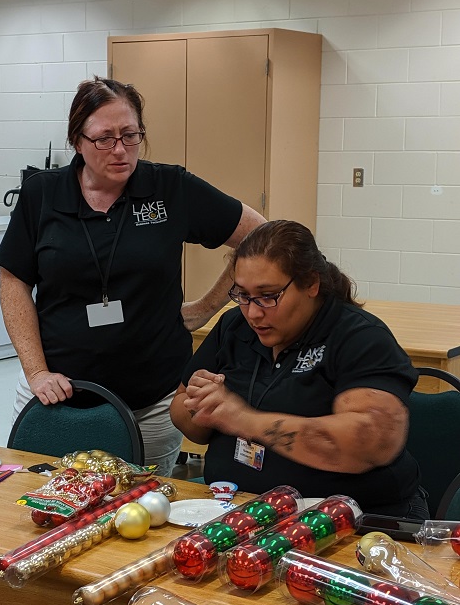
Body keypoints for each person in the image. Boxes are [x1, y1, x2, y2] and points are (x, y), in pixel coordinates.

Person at [0, 76, 265, 475]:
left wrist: (206, 308)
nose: (120, 149)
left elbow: (261, 237)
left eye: (130, 135)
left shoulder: (169, 188)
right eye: (105, 138)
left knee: (139, 515)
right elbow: (14, 280)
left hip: (150, 402)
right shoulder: (42, 194)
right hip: (55, 396)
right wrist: (36, 371)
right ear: (77, 140)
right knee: (43, 507)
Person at [170, 220, 429, 519]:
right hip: (239, 511)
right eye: (242, 295)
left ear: (311, 284)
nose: (254, 313)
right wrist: (200, 404)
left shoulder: (359, 337)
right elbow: (181, 410)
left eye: (269, 296)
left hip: (353, 522)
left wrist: (241, 419)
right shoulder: (233, 327)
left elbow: (368, 443)